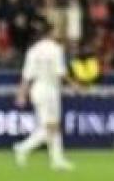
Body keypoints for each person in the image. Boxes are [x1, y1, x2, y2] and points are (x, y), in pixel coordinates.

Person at [13, 18, 77, 171]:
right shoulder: (56, 49)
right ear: (50, 32)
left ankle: (57, 160)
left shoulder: (33, 50)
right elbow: (60, 72)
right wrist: (74, 84)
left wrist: (21, 94)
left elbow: (27, 76)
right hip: (50, 90)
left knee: (50, 126)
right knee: (50, 128)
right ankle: (23, 147)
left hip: (37, 90)